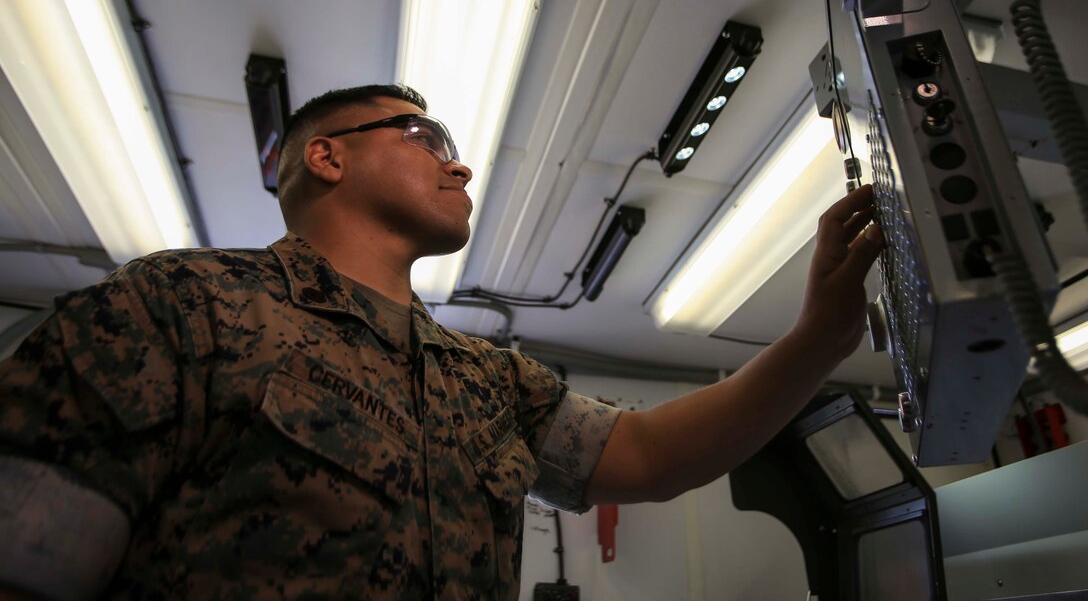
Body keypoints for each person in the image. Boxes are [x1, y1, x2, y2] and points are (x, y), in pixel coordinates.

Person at [0, 84, 883, 599]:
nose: (459, 165)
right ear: (326, 158)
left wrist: (817, 340)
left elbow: (650, 456)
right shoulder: (182, 307)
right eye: (424, 138)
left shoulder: (486, 380)